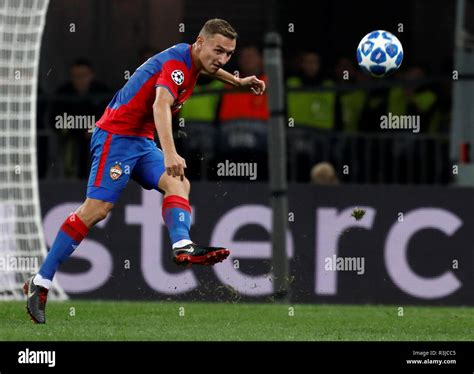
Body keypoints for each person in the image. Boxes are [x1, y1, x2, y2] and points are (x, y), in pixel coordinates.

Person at [24, 18, 265, 324]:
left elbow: (210, 68)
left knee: (179, 183)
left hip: (140, 141)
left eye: (229, 54)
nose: (222, 59)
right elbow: (160, 106)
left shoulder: (195, 60)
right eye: (218, 50)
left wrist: (239, 82)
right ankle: (41, 281)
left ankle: (182, 246)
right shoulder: (177, 65)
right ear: (200, 43)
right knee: (97, 210)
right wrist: (170, 153)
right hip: (115, 138)